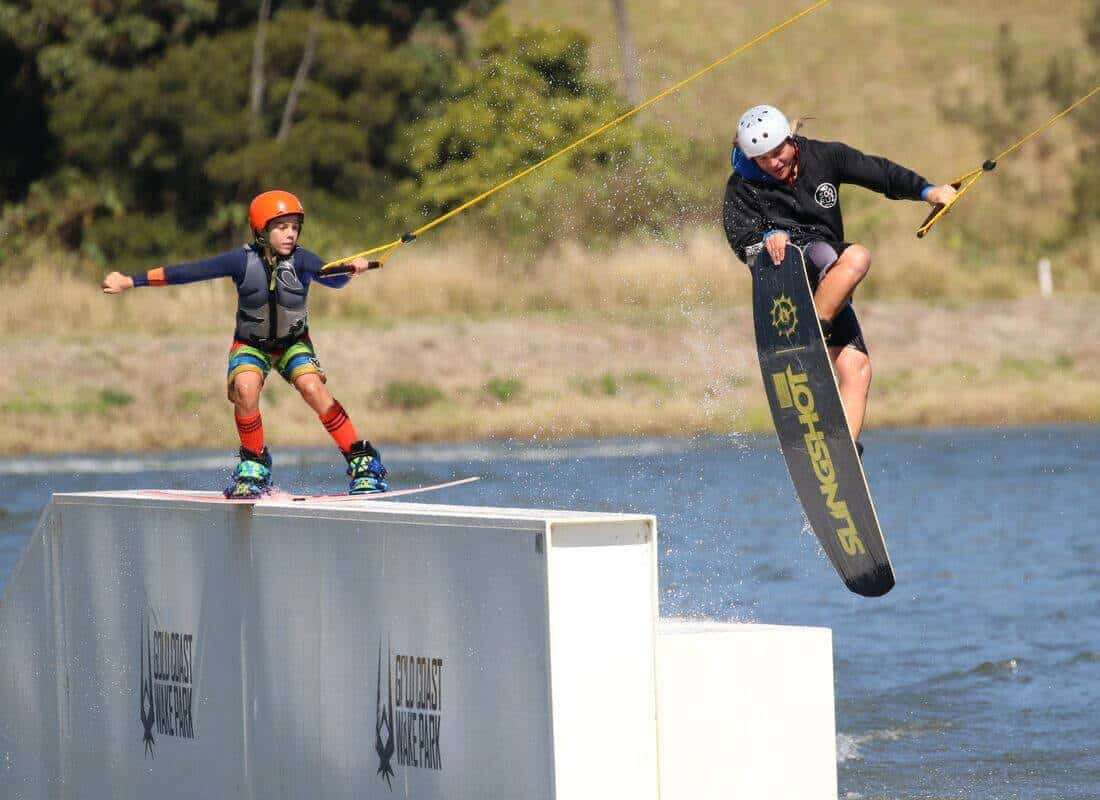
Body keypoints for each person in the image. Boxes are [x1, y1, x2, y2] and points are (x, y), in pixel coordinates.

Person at [101, 190, 388, 498]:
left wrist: (351, 269)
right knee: (245, 388)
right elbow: (188, 272)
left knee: (312, 388)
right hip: (251, 346)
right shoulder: (240, 260)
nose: (290, 234)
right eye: (281, 227)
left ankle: (362, 461)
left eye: (294, 227)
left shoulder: (303, 260)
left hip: (293, 344)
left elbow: (331, 277)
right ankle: (254, 464)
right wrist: (131, 281)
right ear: (261, 230)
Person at [722, 105, 957, 452]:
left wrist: (928, 192)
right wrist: (767, 238)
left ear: (790, 139)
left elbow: (879, 173)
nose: (773, 163)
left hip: (828, 285)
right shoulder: (742, 186)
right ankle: (809, 341)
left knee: (857, 368)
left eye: (777, 152)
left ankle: (840, 452)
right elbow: (741, 240)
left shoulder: (824, 157)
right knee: (857, 257)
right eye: (763, 159)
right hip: (786, 283)